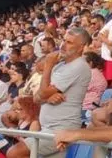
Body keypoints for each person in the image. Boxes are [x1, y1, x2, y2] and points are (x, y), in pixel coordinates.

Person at [34, 28, 92, 158]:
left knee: (15, 152)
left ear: (81, 47)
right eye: (64, 40)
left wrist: (48, 64)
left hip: (62, 128)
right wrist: (46, 99)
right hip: (48, 128)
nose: (63, 45)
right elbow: (36, 97)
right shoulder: (59, 65)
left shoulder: (79, 66)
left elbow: (42, 93)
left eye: (69, 42)